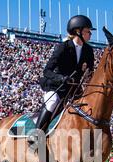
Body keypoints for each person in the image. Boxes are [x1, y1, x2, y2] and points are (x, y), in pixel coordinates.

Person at [29, 15, 95, 144]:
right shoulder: (63, 47)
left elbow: (90, 71)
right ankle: (35, 136)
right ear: (78, 32)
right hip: (57, 87)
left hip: (75, 90)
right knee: (52, 102)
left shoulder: (88, 50)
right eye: (88, 31)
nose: (90, 34)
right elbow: (47, 71)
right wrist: (62, 78)